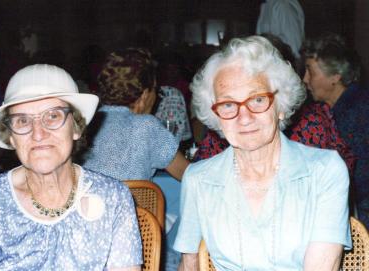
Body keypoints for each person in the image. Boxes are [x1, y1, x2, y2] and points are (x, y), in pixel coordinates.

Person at [174, 36, 351, 270]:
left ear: (280, 106)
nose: (244, 117)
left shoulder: (324, 171)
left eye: (257, 100)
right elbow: (190, 264)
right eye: (228, 105)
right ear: (215, 116)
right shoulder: (198, 179)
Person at [0, 64, 142, 270]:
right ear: (12, 138)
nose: (38, 133)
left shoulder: (113, 198)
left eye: (52, 116)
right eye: (23, 120)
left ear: (76, 127)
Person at [82, 48, 189, 181]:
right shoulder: (146, 126)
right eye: (154, 89)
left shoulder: (87, 121)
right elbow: (187, 174)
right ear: (144, 95)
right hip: (132, 202)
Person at [300, 33, 369, 227]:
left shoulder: (358, 113)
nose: (305, 79)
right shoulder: (327, 111)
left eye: (310, 71)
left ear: (335, 77)